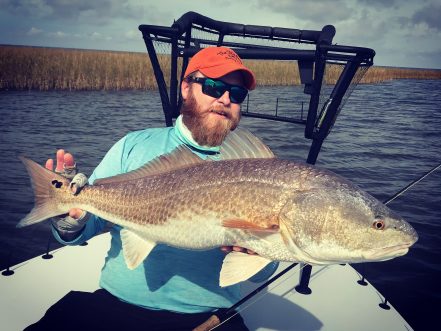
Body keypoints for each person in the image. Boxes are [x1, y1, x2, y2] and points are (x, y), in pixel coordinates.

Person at [25, 46, 278, 331]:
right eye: (213, 86)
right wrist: (69, 220)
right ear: (186, 88)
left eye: (237, 94)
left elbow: (264, 269)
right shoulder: (133, 145)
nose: (225, 99)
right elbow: (88, 224)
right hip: (115, 307)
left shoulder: (256, 167)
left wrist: (259, 253)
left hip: (208, 317)